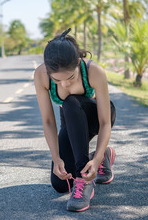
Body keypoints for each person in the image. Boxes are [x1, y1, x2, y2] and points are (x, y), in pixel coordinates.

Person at [34, 28, 116, 212]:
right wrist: (56, 159)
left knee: (70, 103)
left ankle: (84, 179)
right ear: (48, 70)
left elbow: (104, 122)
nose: (64, 84)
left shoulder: (93, 70)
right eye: (57, 80)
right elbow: (48, 121)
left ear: (78, 63)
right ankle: (104, 156)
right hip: (72, 124)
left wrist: (92, 161)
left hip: (97, 117)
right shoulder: (41, 75)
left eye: (70, 78)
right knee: (60, 183)